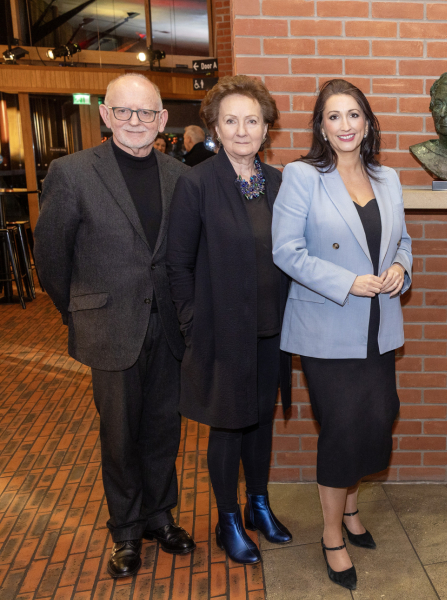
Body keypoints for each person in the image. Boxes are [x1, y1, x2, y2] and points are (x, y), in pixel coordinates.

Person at [33, 73, 195, 579]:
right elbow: (52, 256)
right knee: (120, 435)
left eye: (146, 112)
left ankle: (159, 516)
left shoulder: (179, 176)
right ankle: (125, 531)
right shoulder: (73, 172)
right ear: (105, 115)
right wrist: (78, 309)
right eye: (123, 111)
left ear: (162, 120)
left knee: (164, 429)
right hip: (109, 326)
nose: (134, 122)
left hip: (167, 326)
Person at [271, 78, 412, 591]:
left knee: (379, 418)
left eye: (354, 115)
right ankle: (332, 535)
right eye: (334, 116)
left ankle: (351, 509)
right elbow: (286, 251)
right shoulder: (303, 176)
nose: (346, 125)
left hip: (379, 325)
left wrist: (400, 267)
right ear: (321, 126)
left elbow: (404, 241)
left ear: (368, 123)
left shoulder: (389, 177)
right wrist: (347, 282)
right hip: (327, 326)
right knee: (342, 428)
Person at [166, 76, 293, 565]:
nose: (243, 130)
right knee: (229, 427)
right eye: (232, 120)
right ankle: (228, 520)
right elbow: (177, 264)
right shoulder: (195, 183)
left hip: (271, 331)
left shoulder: (280, 183)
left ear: (267, 129)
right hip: (221, 333)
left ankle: (258, 505)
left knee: (260, 422)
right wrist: (194, 323)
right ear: (215, 126)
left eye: (253, 121)